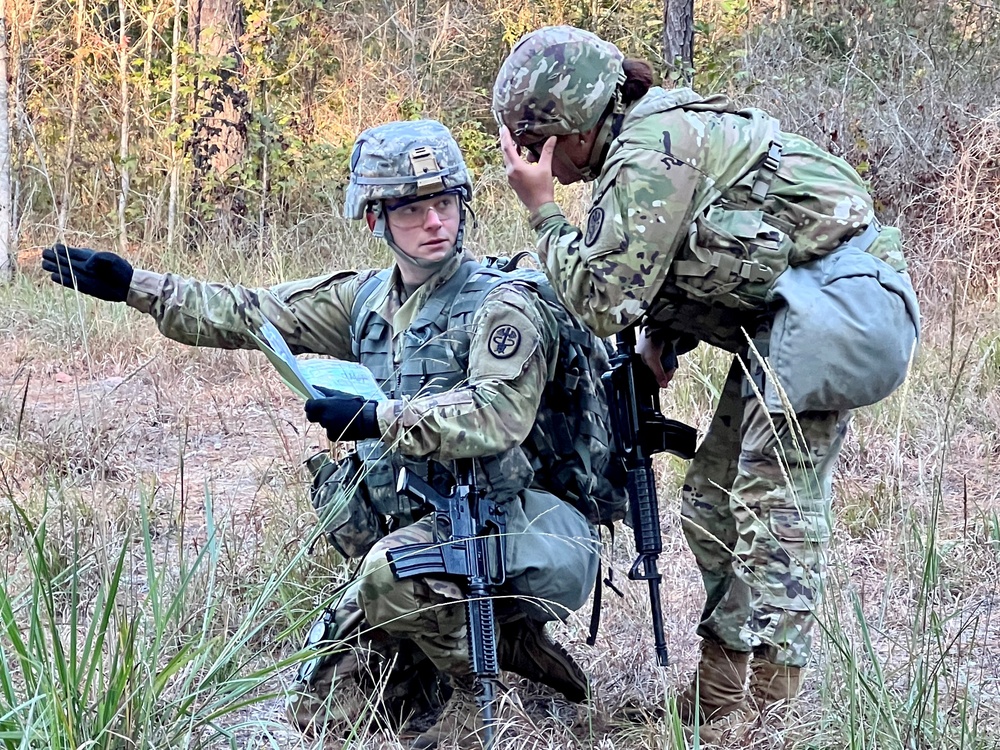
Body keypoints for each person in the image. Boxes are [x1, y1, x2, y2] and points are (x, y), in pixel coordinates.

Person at [41, 119, 603, 749]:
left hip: (517, 526)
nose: (435, 223)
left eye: (445, 204)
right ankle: (441, 659)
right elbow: (250, 313)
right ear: (375, 220)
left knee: (391, 572)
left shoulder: (503, 304)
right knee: (326, 708)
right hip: (428, 531)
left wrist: (377, 421)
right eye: (413, 210)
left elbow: (499, 413)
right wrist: (135, 287)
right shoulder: (367, 301)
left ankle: (492, 677)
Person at [493, 24, 920, 740]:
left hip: (842, 307)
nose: (534, 162)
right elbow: (706, 248)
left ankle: (772, 705)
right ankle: (725, 690)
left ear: (570, 133)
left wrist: (540, 210)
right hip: (792, 313)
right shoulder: (639, 143)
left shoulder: (650, 151)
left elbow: (602, 301)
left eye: (533, 146)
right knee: (713, 497)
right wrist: (665, 334)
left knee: (767, 496)